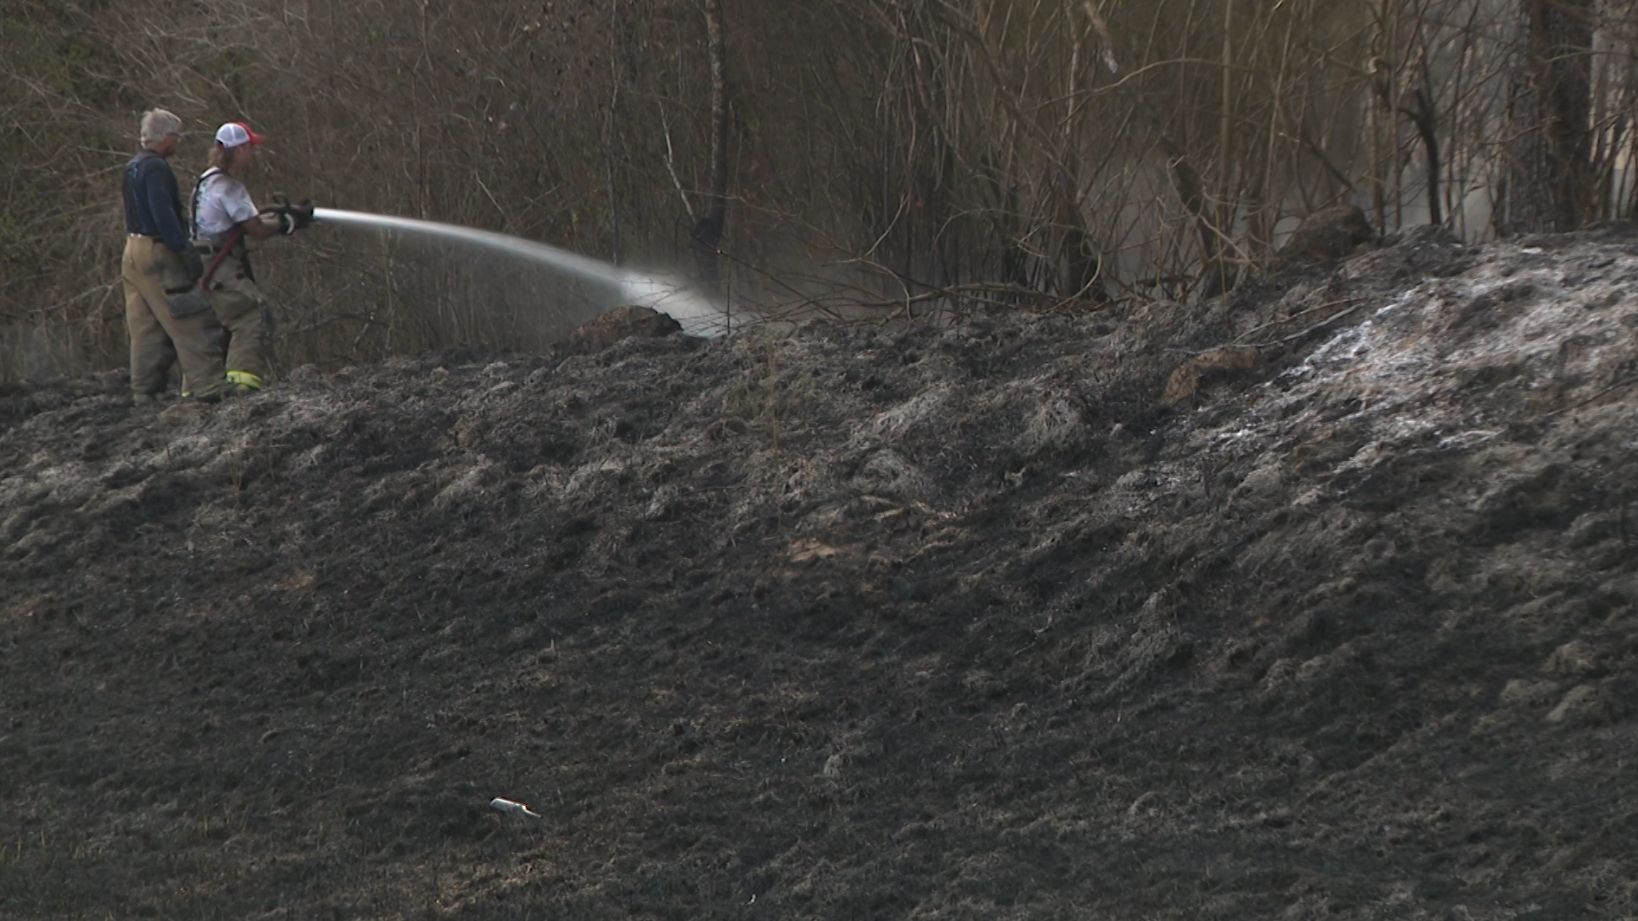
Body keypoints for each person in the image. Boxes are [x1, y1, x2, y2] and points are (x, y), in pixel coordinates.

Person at [191, 121, 312, 394]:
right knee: (250, 313)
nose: (253, 153)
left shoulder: (207, 180)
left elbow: (248, 220)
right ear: (238, 150)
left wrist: (283, 215)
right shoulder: (229, 188)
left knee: (215, 322)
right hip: (218, 265)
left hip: (203, 262)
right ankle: (241, 386)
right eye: (250, 148)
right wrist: (287, 223)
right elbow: (255, 229)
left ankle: (202, 384)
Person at [120, 109, 227, 403]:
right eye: (176, 137)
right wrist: (182, 247)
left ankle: (144, 390)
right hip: (157, 250)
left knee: (145, 325)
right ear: (166, 138)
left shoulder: (133, 166)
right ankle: (208, 384)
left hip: (132, 250)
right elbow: (162, 213)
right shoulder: (156, 168)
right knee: (188, 315)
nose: (177, 144)